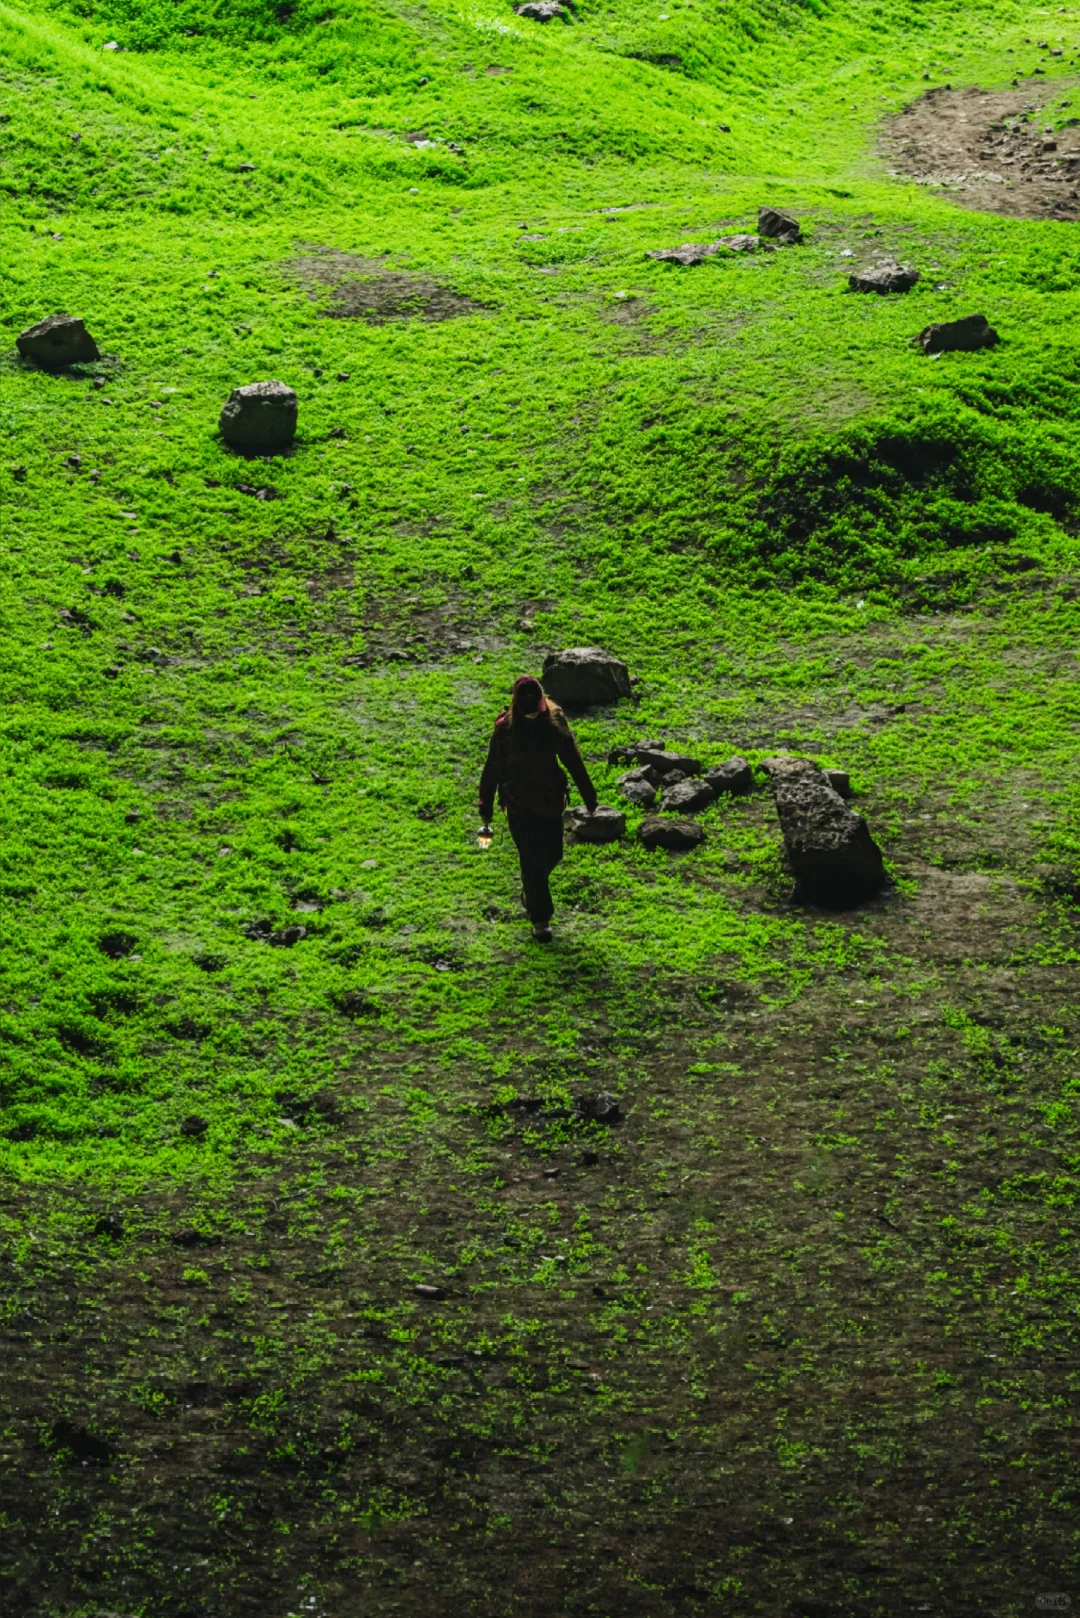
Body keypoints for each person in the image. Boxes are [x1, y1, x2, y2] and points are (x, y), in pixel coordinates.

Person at [477, 675, 597, 942]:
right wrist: (486, 805)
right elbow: (492, 767)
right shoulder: (505, 730)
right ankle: (541, 919)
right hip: (518, 804)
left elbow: (572, 758)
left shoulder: (555, 722)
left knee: (553, 854)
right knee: (532, 860)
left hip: (550, 802)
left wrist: (589, 795)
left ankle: (531, 892)